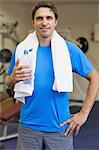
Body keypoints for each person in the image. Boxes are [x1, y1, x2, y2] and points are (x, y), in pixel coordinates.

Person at [5, 1, 99, 150]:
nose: (44, 22)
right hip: (28, 127)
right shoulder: (21, 49)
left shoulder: (69, 49)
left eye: (49, 18)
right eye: (39, 18)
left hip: (59, 128)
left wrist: (84, 113)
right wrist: (11, 79)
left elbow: (95, 77)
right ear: (33, 22)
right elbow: (8, 83)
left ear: (55, 21)